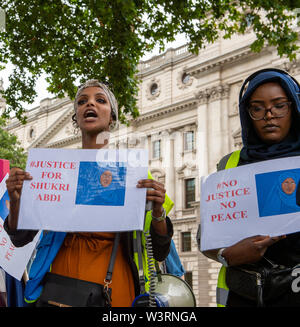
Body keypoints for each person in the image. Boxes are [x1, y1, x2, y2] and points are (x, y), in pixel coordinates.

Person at [4, 79, 174, 307]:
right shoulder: (56, 171)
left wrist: (158, 210)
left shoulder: (135, 173)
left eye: (100, 100)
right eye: (82, 101)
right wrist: (17, 203)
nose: (89, 104)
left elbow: (160, 251)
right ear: (76, 118)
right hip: (57, 289)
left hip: (114, 290)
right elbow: (19, 238)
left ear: (112, 117)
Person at [201, 68, 300, 307]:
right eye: (257, 108)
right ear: (247, 114)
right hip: (244, 295)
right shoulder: (229, 164)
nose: (269, 115)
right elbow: (205, 235)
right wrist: (226, 255)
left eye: (279, 105)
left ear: (294, 107)